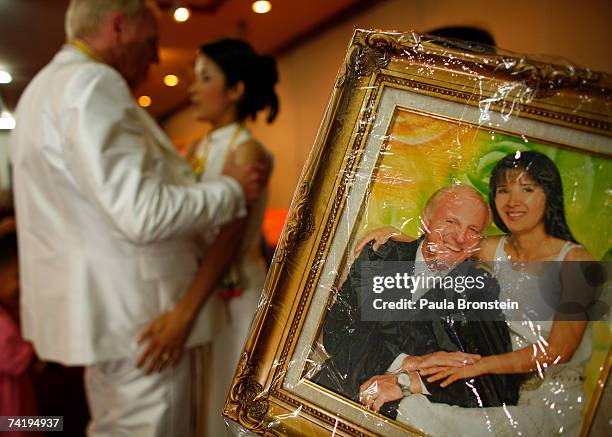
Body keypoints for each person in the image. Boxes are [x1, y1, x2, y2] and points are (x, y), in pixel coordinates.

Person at [9, 1, 266, 436]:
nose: (155, 57)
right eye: (150, 42)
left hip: (106, 312)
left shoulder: (41, 90)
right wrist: (231, 190)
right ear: (118, 26)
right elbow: (142, 213)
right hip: (142, 317)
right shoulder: (92, 84)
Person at [359, 151, 595, 435]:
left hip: (551, 397)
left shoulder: (576, 262)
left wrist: (477, 367)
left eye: (527, 189)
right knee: (412, 410)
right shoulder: (497, 248)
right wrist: (394, 233)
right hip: (500, 385)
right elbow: (447, 245)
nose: (513, 201)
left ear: (549, 195)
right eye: (503, 190)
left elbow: (557, 351)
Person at [136, 38, 278, 436]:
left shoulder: (248, 150)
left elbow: (228, 240)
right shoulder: (195, 148)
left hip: (233, 288)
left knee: (229, 400)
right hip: (203, 288)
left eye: (205, 79)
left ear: (235, 90)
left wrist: (184, 311)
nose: (192, 89)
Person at [314, 184, 521, 418]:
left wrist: (407, 381)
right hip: (331, 396)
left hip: (404, 419)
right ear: (426, 219)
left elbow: (496, 385)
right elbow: (336, 335)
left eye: (472, 229)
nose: (460, 237)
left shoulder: (480, 288)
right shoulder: (381, 255)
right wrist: (412, 361)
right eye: (451, 222)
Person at [0, 229, 38, 436]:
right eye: (18, 276)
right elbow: (21, 358)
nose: (23, 284)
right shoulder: (2, 323)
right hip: (11, 418)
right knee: (54, 424)